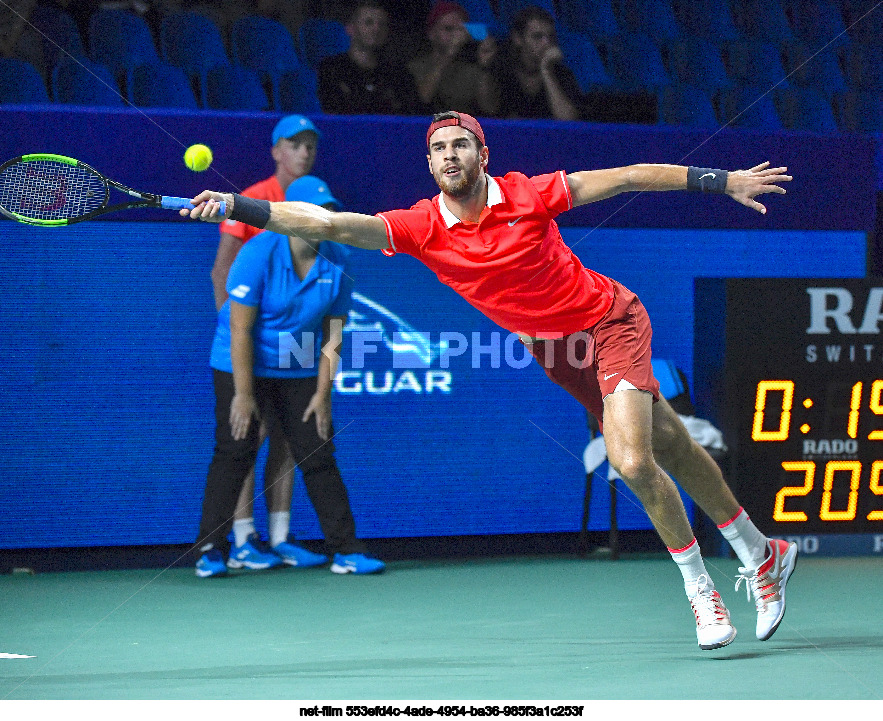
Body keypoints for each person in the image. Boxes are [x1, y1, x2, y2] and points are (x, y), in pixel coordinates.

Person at [184, 110, 797, 649]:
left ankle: (700, 590)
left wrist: (722, 181)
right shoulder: (420, 228)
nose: (451, 155)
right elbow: (329, 225)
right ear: (429, 164)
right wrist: (241, 205)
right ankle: (761, 550)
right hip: (557, 355)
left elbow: (630, 176)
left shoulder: (531, 194)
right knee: (673, 446)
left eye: (461, 144)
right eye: (439, 148)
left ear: (483, 155)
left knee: (633, 462)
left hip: (610, 322)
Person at [195, 174, 386, 578]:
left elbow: (333, 335)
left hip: (296, 366)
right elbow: (240, 330)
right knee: (235, 448)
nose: (322, 219)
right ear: (289, 216)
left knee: (318, 449)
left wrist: (323, 394)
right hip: (240, 361)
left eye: (328, 212)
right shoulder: (258, 253)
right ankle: (212, 548)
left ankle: (347, 551)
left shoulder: (339, 258)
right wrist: (244, 395)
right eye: (313, 212)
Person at [211, 114, 323, 570]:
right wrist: (234, 333)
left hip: (290, 352)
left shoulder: (315, 201)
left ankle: (279, 536)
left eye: (309, 146)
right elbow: (222, 270)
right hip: (249, 344)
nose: (303, 152)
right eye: (294, 145)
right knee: (247, 438)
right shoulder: (251, 201)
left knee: (289, 440)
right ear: (276, 151)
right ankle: (241, 539)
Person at [317, 0, 420, 116]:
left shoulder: (398, 73)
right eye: (368, 22)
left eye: (382, 24)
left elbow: (410, 113)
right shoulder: (332, 68)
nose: (376, 29)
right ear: (350, 28)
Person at [407, 1, 499, 117]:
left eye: (460, 30)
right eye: (448, 29)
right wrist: (449, 54)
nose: (456, 35)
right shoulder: (415, 67)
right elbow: (422, 100)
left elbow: (490, 108)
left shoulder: (472, 71)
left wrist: (485, 66)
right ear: (431, 33)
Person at [497, 6, 582, 121]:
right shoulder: (504, 68)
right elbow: (489, 110)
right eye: (537, 37)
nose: (547, 43)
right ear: (518, 39)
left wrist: (547, 71)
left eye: (550, 37)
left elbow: (568, 120)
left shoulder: (561, 74)